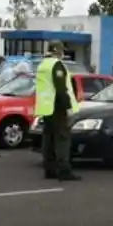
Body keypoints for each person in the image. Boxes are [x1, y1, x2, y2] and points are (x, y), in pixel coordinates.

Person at [34, 42, 81, 181]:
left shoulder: (42, 65)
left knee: (48, 139)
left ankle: (50, 169)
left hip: (46, 107)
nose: (63, 54)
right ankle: (64, 170)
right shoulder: (57, 65)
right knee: (62, 139)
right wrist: (68, 107)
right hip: (57, 106)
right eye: (62, 51)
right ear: (58, 51)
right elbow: (61, 88)